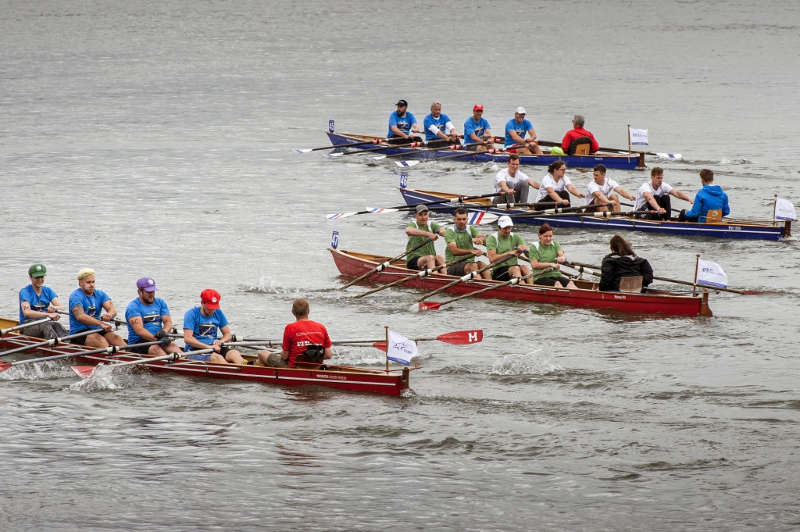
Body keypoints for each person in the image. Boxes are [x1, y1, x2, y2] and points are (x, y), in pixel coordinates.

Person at [258, 298, 333, 368]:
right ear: (308, 311)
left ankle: (266, 377)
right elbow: (328, 355)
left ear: (293, 312)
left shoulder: (290, 328)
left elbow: (285, 356)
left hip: (295, 367)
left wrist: (279, 353)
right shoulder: (321, 327)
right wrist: (312, 356)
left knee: (262, 353)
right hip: (316, 367)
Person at [183, 289, 244, 365]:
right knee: (217, 358)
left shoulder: (218, 312)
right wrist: (208, 347)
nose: (212, 311)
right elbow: (188, 339)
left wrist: (221, 341)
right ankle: (232, 373)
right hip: (194, 350)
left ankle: (240, 372)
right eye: (209, 308)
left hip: (215, 347)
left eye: (214, 307)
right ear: (202, 303)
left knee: (235, 354)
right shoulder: (191, 314)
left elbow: (228, 334)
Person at [124, 277, 182, 358]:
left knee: (173, 347)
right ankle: (170, 367)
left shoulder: (160, 303)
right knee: (155, 349)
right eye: (148, 292)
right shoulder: (133, 307)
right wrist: (158, 340)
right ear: (140, 292)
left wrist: (164, 331)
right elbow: (140, 331)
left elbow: (168, 322)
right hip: (138, 343)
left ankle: (189, 366)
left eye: (153, 291)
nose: (151, 294)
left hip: (158, 339)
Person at [68, 268, 126, 348]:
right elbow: (80, 316)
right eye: (88, 282)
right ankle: (111, 358)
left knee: (117, 339)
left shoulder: (100, 294)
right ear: (80, 283)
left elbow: (113, 310)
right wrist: (101, 323)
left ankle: (126, 356)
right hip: (79, 332)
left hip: (97, 329)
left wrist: (109, 314)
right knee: (101, 342)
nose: (92, 285)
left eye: (93, 282)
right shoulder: (75, 296)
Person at [18, 263, 67, 340]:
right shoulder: (25, 292)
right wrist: (48, 314)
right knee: (45, 325)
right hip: (27, 326)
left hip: (44, 323)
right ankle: (55, 347)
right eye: (37, 277)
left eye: (42, 277)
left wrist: (54, 308)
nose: (40, 280)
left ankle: (68, 344)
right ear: (30, 277)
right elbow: (27, 313)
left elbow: (61, 307)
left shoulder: (48, 291)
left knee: (58, 325)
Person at [444, 207, 491, 278]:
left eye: (464, 219)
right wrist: (471, 251)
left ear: (467, 219)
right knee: (473, 266)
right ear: (454, 220)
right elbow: (454, 251)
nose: (462, 222)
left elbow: (483, 237)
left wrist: (480, 240)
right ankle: (481, 284)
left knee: (483, 265)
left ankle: (490, 284)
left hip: (469, 263)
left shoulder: (470, 229)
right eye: (459, 219)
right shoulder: (449, 231)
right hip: (452, 265)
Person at [486, 215, 532, 284]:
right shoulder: (492, 238)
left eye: (509, 228)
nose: (507, 231)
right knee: (515, 268)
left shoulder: (516, 237)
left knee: (524, 267)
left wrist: (525, 250)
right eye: (505, 228)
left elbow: (529, 256)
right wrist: (508, 253)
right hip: (498, 271)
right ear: (499, 227)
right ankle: (524, 289)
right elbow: (491, 259)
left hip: (513, 268)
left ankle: (532, 287)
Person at [528, 224, 577, 288]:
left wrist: (562, 258)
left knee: (570, 283)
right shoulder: (534, 247)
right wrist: (550, 264)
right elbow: (534, 265)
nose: (548, 239)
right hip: (539, 277)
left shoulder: (555, 244)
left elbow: (562, 255)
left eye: (550, 236)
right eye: (545, 236)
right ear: (539, 236)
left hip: (555, 275)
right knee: (557, 284)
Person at [405, 204, 446, 272]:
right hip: (413, 260)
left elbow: (443, 231)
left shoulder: (431, 225)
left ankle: (445, 277)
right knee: (430, 258)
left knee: (439, 258)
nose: (423, 217)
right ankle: (435, 278)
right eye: (420, 215)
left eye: (425, 214)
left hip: (430, 260)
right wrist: (428, 234)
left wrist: (441, 232)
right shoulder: (413, 224)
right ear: (415, 216)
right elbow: (408, 230)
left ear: (428, 215)